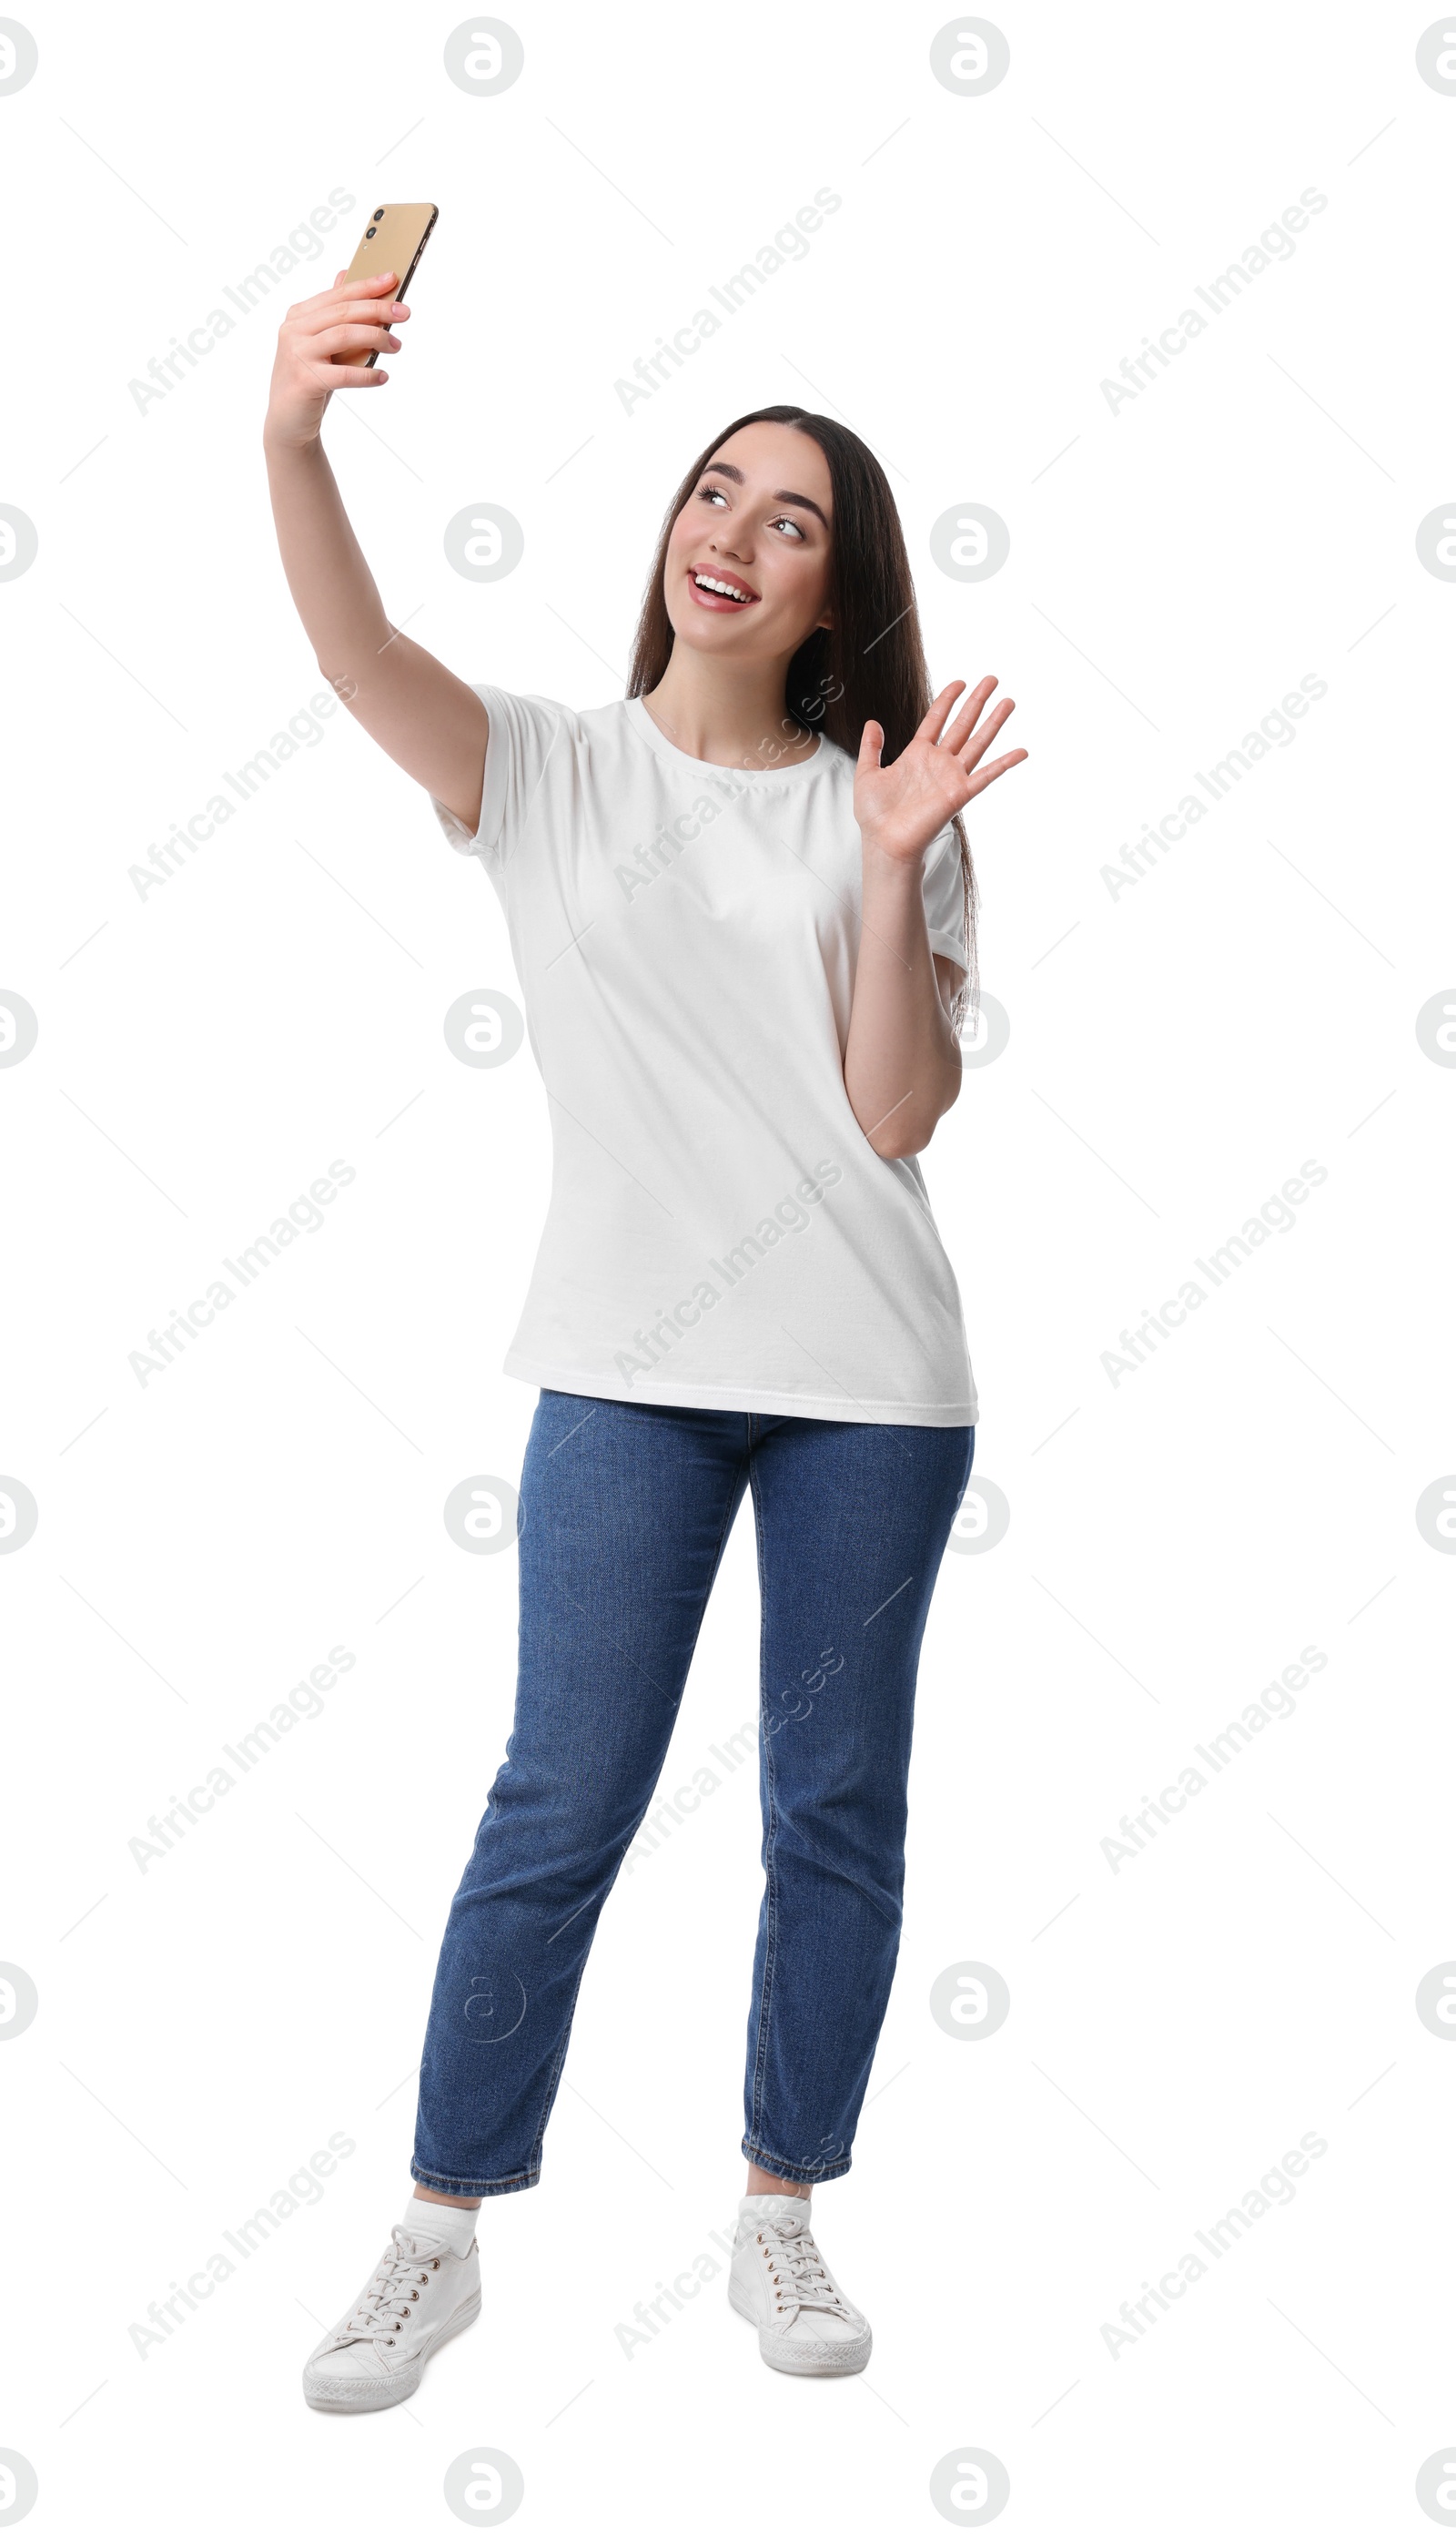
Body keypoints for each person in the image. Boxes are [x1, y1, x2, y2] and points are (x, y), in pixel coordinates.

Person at [263, 264, 1027, 2412]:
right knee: (556, 1796)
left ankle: (780, 2215)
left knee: (833, 1806)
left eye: (788, 519)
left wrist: (890, 869)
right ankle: (441, 2226)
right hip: (621, 1368)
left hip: (870, 1387)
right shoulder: (547, 772)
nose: (733, 530)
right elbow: (351, 652)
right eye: (714, 492)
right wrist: (291, 438)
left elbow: (893, 1113)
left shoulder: (885, 803)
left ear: (826, 591)